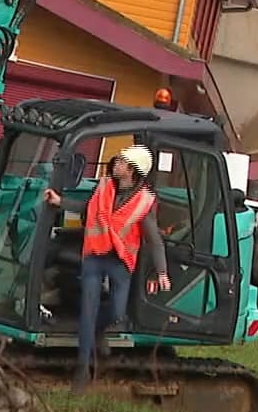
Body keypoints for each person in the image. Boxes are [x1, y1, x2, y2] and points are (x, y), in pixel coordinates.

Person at [43, 145, 170, 391]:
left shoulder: (143, 202)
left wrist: (162, 272)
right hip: (94, 256)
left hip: (120, 262)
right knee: (87, 310)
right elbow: (87, 208)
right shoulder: (103, 187)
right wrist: (60, 202)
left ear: (132, 170)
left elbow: (155, 240)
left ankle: (98, 330)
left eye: (122, 162)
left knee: (115, 311)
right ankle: (82, 369)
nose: (116, 164)